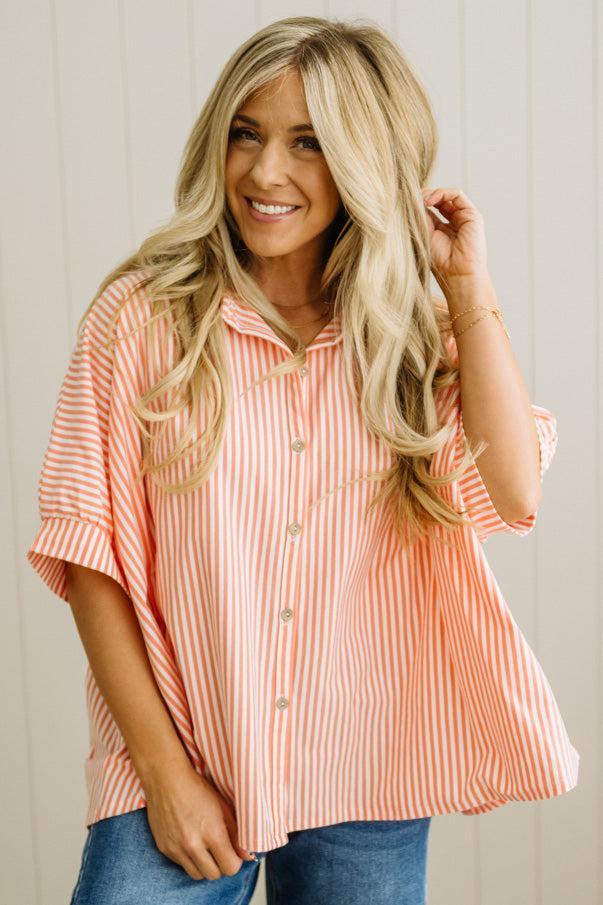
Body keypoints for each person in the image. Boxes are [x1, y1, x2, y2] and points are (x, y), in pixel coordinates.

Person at [25, 15, 579, 905]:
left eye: (308, 144)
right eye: (245, 135)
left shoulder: (408, 340)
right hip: (183, 749)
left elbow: (513, 491)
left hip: (366, 765)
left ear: (365, 161)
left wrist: (466, 291)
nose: (263, 172)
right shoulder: (139, 320)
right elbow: (93, 561)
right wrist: (164, 775)